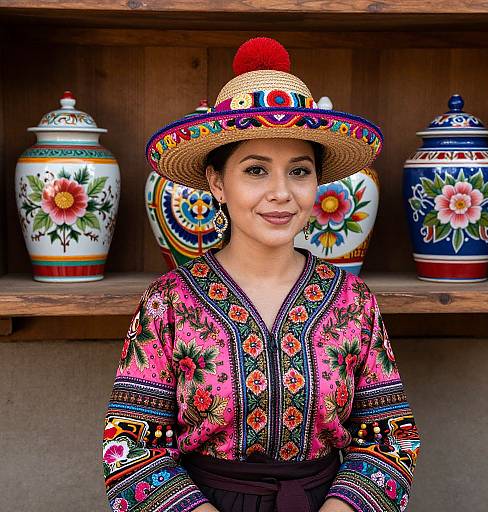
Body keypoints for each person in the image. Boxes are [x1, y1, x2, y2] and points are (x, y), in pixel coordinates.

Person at [102, 37, 420, 512]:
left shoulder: (351, 300)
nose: (281, 193)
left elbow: (389, 439)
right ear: (217, 183)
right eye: (255, 170)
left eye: (299, 171)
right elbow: (131, 453)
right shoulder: (169, 302)